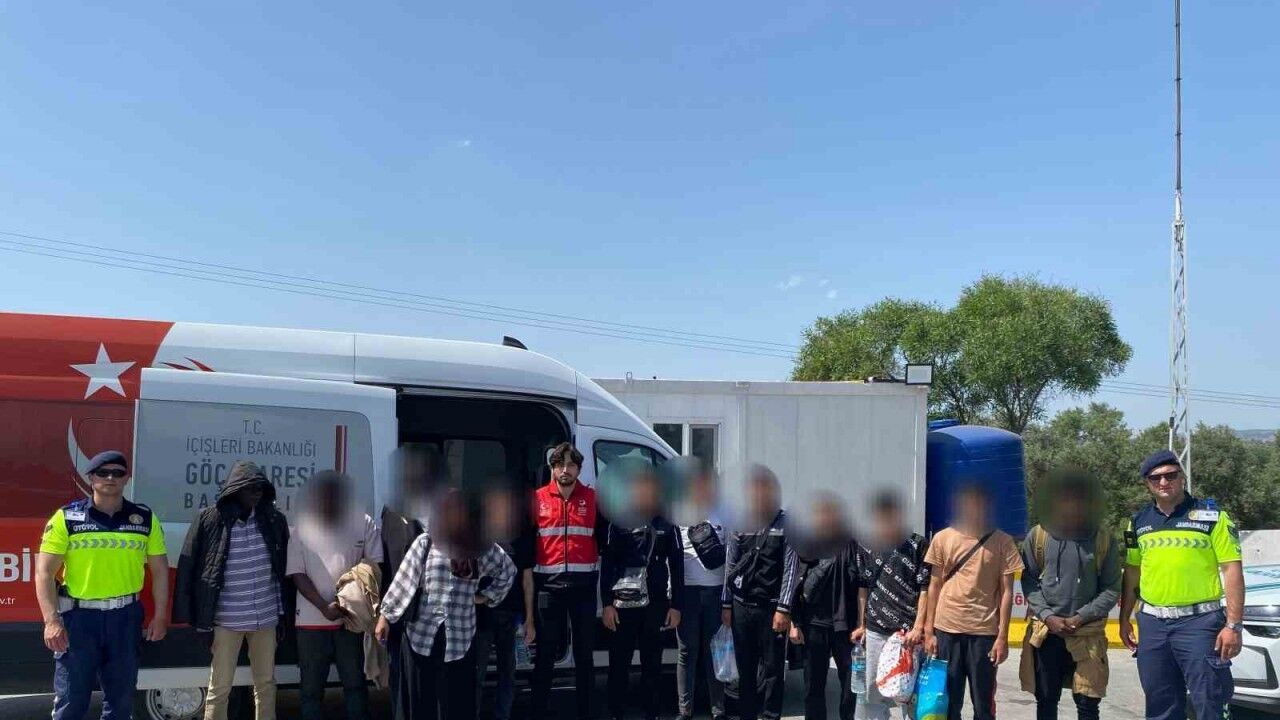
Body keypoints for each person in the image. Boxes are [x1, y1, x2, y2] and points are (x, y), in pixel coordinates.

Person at [35, 450, 170, 720]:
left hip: (125, 619)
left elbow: (160, 571)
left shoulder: (144, 519)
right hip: (78, 619)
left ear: (127, 478)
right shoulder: (67, 518)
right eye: (103, 473)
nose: (110, 478)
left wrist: (160, 616)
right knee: (72, 702)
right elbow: (44, 573)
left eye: (117, 473)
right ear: (91, 478)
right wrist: (51, 621)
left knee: (121, 703)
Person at [1119, 449, 1244, 720]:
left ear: (1182, 477)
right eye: (1156, 478)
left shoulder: (1213, 517)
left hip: (1200, 624)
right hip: (1153, 625)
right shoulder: (1137, 522)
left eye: (1170, 475)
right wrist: (1124, 618)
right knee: (1160, 707)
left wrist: (1233, 625)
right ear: (1147, 483)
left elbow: (1232, 569)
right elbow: (1132, 571)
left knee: (1210, 704)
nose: (1164, 482)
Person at [376, 489, 517, 720]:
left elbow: (508, 571)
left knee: (454, 705)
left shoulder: (481, 547)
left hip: (460, 639)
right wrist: (385, 617)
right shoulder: (426, 542)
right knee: (422, 703)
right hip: (422, 636)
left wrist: (486, 597)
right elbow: (404, 580)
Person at [174, 461, 292, 720]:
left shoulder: (273, 520)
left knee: (266, 684)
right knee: (219, 687)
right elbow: (189, 567)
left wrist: (283, 613)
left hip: (266, 618)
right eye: (250, 488)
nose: (256, 493)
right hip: (227, 620)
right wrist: (198, 621)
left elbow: (282, 570)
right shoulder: (210, 519)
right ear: (234, 489)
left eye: (260, 488)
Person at [1017, 469, 1121, 720]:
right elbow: (1029, 581)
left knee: (1087, 704)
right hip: (1047, 632)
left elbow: (1111, 588)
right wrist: (1048, 616)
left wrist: (1081, 617)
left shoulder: (1103, 538)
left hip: (1087, 634)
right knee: (1046, 700)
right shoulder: (1039, 536)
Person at [286, 470, 383, 720]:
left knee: (355, 686)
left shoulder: (363, 523)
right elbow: (297, 574)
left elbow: (374, 567)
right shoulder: (302, 528)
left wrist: (348, 603)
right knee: (310, 690)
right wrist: (323, 607)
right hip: (311, 624)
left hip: (352, 623)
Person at [922, 483, 1022, 720]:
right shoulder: (943, 538)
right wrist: (929, 631)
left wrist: (1002, 638)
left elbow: (1007, 592)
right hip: (947, 631)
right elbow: (934, 585)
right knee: (948, 705)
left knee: (983, 707)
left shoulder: (1003, 542)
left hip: (984, 634)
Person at [529, 442, 608, 720]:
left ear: (579, 469)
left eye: (571, 465)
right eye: (560, 465)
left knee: (585, 656)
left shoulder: (593, 499)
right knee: (545, 655)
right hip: (548, 588)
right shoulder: (537, 499)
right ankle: (538, 713)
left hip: (583, 589)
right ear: (552, 468)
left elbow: (605, 542)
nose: (565, 470)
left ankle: (586, 713)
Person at [600, 465, 684, 720]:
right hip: (622, 605)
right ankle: (616, 713)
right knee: (619, 663)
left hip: (656, 606)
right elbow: (608, 564)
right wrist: (606, 604)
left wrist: (676, 606)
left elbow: (677, 565)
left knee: (652, 665)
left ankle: (652, 713)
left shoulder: (667, 522)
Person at [721, 465, 799, 720]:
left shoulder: (785, 523)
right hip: (741, 607)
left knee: (773, 670)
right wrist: (726, 604)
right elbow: (730, 565)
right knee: (745, 670)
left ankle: (770, 716)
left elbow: (790, 568)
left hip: (771, 609)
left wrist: (783, 608)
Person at [853, 492, 931, 720]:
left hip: (908, 635)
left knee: (908, 692)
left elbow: (925, 588)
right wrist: (862, 624)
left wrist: (919, 627)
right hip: (875, 630)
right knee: (872, 691)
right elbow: (863, 587)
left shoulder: (917, 544)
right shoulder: (867, 545)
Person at [380, 446, 441, 720]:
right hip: (399, 608)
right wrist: (385, 612)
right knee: (399, 674)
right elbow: (387, 561)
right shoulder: (390, 511)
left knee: (425, 679)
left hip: (427, 609)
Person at [788, 493, 860, 720]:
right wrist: (794, 623)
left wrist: (862, 624)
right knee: (813, 687)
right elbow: (793, 584)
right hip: (813, 625)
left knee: (850, 685)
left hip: (845, 627)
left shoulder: (852, 544)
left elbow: (863, 586)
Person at [472, 478, 535, 720]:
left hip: (511, 615)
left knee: (508, 674)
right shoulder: (479, 533)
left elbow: (527, 580)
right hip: (482, 617)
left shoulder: (522, 534)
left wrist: (529, 620)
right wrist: (475, 598)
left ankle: (502, 716)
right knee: (476, 674)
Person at [676, 462, 730, 720]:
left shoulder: (724, 514)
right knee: (687, 653)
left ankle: (718, 711)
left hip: (715, 593)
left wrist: (728, 599)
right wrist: (673, 597)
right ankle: (684, 711)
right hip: (687, 594)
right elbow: (673, 558)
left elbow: (732, 559)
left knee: (714, 652)